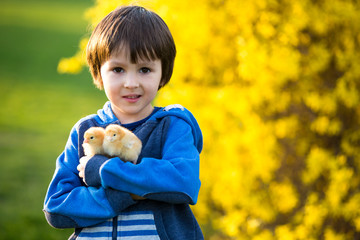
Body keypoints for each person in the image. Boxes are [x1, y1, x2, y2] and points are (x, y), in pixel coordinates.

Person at [43, 5, 204, 240]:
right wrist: (123, 195)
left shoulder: (173, 125)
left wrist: (103, 170)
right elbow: (56, 207)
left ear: (163, 73)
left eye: (145, 69)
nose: (131, 82)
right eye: (118, 69)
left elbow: (183, 181)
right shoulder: (86, 131)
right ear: (99, 72)